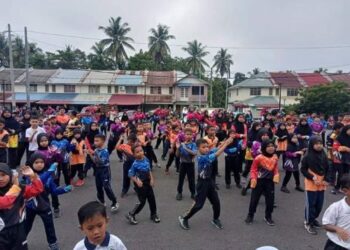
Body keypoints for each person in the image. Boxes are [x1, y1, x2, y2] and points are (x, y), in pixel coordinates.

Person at [178, 137, 233, 230]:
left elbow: (216, 148)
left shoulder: (208, 152)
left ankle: (216, 219)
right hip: (202, 183)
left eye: (207, 146)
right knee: (199, 205)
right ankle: (184, 218)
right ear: (198, 148)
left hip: (209, 182)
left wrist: (224, 142)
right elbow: (217, 154)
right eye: (203, 147)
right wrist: (226, 144)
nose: (206, 148)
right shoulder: (201, 157)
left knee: (216, 202)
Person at [24, 153, 72, 250]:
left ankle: (53, 244)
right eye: (36, 162)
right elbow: (38, 181)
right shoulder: (28, 176)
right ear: (31, 163)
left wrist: (64, 190)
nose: (39, 164)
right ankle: (21, 242)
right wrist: (50, 171)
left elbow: (54, 191)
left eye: (41, 162)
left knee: (49, 227)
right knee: (26, 226)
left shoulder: (49, 177)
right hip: (30, 206)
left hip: (44, 206)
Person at [0, 163, 44, 250]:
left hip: (18, 229)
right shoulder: (17, 188)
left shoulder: (21, 188)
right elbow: (4, 202)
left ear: (10, 175)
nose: (0, 179)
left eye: (3, 175)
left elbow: (38, 189)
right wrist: (16, 187)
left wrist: (33, 176)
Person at [245, 140, 279, 226]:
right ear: (264, 147)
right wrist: (253, 178)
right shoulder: (258, 158)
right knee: (254, 199)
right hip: (259, 181)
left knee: (270, 200)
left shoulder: (275, 157)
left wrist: (276, 174)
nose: (271, 148)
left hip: (270, 182)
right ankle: (250, 215)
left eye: (272, 146)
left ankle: (268, 216)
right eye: (268, 146)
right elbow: (253, 169)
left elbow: (275, 168)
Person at [301, 136, 329, 235]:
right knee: (311, 204)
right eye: (316, 144)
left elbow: (328, 168)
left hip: (321, 183)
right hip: (311, 183)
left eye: (320, 143)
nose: (319, 146)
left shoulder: (323, 154)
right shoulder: (307, 156)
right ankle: (308, 222)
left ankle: (313, 219)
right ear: (312, 145)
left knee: (319, 205)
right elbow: (303, 169)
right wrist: (312, 177)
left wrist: (327, 179)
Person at [126, 144, 160, 225]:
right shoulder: (135, 164)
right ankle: (131, 214)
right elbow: (130, 174)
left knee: (152, 198)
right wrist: (137, 181)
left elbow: (149, 170)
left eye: (141, 151)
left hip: (148, 182)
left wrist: (152, 179)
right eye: (137, 152)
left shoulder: (146, 159)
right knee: (142, 201)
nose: (140, 153)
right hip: (140, 185)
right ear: (134, 154)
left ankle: (153, 214)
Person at [87, 134, 119, 213]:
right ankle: (102, 201)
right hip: (98, 170)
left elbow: (101, 162)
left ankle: (114, 202)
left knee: (106, 186)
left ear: (103, 141)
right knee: (98, 186)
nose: (95, 142)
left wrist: (94, 154)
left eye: (97, 141)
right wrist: (90, 154)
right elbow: (95, 161)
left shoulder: (105, 151)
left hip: (105, 170)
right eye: (94, 141)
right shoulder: (96, 150)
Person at [322, 175, 350, 250]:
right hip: (336, 245)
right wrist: (337, 229)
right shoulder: (336, 207)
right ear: (345, 191)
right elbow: (326, 224)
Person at [175, 128, 197, 200]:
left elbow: (194, 153)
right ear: (184, 135)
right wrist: (178, 148)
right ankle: (179, 192)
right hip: (183, 164)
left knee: (191, 180)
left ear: (192, 136)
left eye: (190, 134)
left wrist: (186, 148)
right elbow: (177, 155)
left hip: (190, 164)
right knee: (181, 179)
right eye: (187, 134)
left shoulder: (193, 144)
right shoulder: (181, 144)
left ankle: (193, 193)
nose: (189, 136)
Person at [116, 133, 137, 197]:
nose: (131, 143)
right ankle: (124, 190)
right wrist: (120, 139)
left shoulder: (136, 147)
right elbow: (117, 147)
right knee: (126, 178)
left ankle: (137, 189)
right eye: (130, 141)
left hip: (135, 165)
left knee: (135, 177)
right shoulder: (124, 146)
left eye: (133, 142)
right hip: (126, 165)